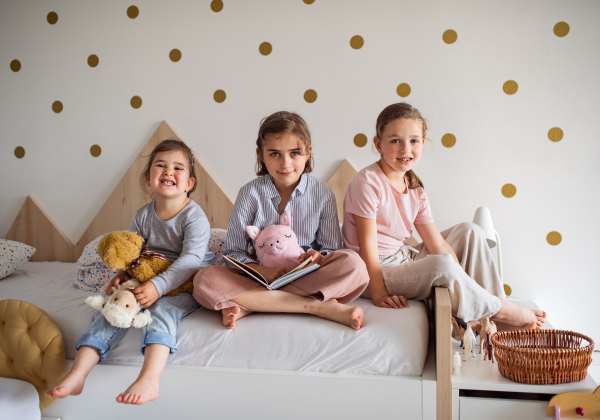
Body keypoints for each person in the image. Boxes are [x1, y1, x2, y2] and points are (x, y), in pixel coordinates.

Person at [342, 102, 546, 330]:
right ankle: (503, 309)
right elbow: (367, 246)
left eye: (414, 141)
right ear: (378, 144)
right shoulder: (368, 181)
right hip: (374, 273)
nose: (405, 149)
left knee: (470, 231)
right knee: (443, 265)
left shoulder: (415, 188)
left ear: (423, 143)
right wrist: (379, 294)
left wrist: (466, 283)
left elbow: (436, 242)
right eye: (395, 140)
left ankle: (492, 310)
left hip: (402, 258)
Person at [46, 139, 211, 405]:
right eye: (161, 165)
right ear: (149, 178)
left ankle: (149, 378)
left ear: (189, 183)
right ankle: (78, 372)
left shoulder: (193, 217)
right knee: (111, 308)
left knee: (163, 310)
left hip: (185, 280)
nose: (169, 172)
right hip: (145, 276)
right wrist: (122, 275)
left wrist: (158, 287)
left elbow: (191, 259)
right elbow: (132, 251)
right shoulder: (143, 215)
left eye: (178, 168)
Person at [193, 111, 369, 330]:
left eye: (295, 153)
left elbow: (330, 248)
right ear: (261, 155)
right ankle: (317, 307)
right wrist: (260, 270)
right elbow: (233, 253)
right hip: (259, 277)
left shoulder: (322, 193)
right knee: (205, 279)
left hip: (307, 277)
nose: (286, 163)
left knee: (354, 265)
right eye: (275, 154)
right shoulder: (249, 193)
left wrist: (318, 256)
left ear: (308, 153)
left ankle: (253, 304)